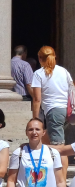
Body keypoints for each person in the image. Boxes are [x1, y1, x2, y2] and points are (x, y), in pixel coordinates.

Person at [31, 46, 71, 175]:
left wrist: (35, 119)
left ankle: (62, 179)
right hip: (64, 111)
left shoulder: (39, 74)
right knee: (47, 139)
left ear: (39, 58)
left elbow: (37, 99)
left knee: (60, 148)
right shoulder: (64, 71)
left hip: (53, 112)